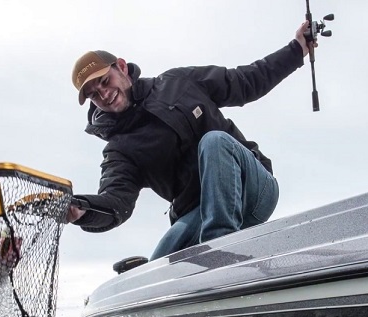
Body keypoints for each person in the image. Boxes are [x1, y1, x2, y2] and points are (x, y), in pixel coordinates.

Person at [68, 22, 317, 260]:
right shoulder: (120, 149)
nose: (104, 94)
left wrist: (296, 50)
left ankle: (220, 250)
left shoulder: (178, 83)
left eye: (104, 81)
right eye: (94, 95)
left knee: (214, 142)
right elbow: (116, 203)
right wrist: (82, 210)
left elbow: (245, 81)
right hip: (198, 213)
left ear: (121, 67)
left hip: (252, 190)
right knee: (159, 265)